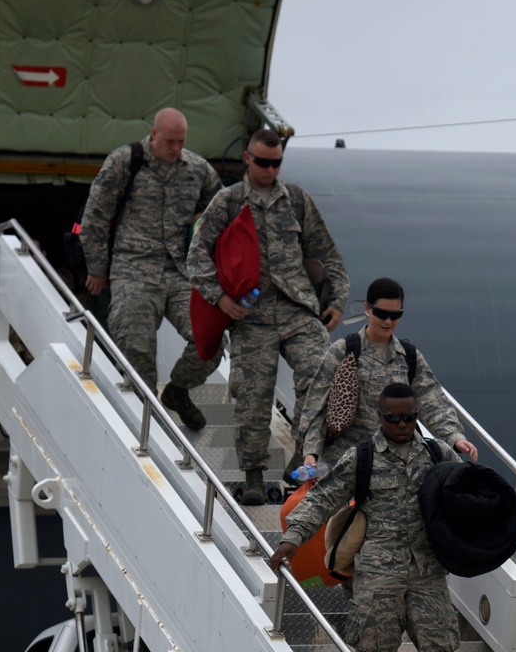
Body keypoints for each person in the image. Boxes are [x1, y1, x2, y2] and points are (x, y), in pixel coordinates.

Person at [269, 383, 470, 652]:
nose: (402, 424)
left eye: (410, 417)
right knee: (375, 647)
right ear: (379, 417)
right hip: (377, 574)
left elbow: (465, 497)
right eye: (393, 418)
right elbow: (322, 498)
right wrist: (291, 539)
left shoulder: (436, 453)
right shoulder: (361, 458)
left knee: (441, 649)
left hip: (426, 573)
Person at [187, 128, 349, 505]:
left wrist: (338, 301)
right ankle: (255, 476)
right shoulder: (227, 202)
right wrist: (221, 299)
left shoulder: (295, 199)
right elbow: (196, 257)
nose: (269, 169)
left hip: (297, 310)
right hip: (250, 316)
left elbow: (328, 253)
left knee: (323, 372)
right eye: (262, 162)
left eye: (276, 163)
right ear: (247, 158)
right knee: (251, 397)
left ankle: (301, 455)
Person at [80, 108, 221, 431]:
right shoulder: (125, 162)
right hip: (133, 268)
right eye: (170, 141)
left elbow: (221, 212)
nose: (175, 149)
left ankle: (178, 392)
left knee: (210, 339)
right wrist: (97, 268)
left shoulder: (197, 169)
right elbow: (95, 217)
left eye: (181, 142)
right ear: (153, 134)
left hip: (180, 271)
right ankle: (150, 424)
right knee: (136, 347)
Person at [298, 277, 478, 470]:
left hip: (394, 464)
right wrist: (311, 452)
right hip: (347, 462)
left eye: (395, 315)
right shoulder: (343, 351)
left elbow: (433, 403)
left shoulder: (409, 357)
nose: (388, 321)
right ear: (367, 309)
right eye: (382, 314)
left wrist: (455, 438)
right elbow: (316, 405)